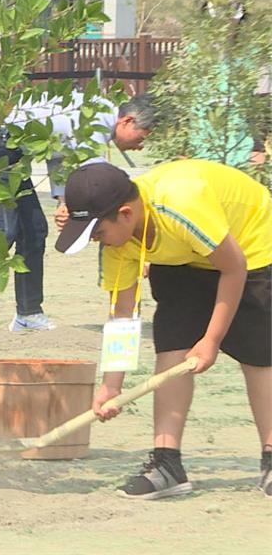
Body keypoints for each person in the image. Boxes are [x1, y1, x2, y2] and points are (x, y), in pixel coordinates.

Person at [56, 160, 271, 499]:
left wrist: (211, 340)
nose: (99, 242)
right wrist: (111, 386)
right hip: (180, 255)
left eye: (98, 233)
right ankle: (167, 463)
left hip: (250, 245)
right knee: (173, 345)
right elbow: (122, 315)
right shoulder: (120, 242)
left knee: (259, 355)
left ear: (126, 214)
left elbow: (234, 268)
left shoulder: (182, 204)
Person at [0, 93, 158, 336]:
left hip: (14, 154)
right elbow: (94, 175)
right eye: (141, 137)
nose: (140, 146)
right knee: (3, 230)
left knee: (35, 229)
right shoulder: (97, 117)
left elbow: (59, 155)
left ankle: (28, 314)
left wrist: (64, 202)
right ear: (127, 121)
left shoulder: (95, 117)